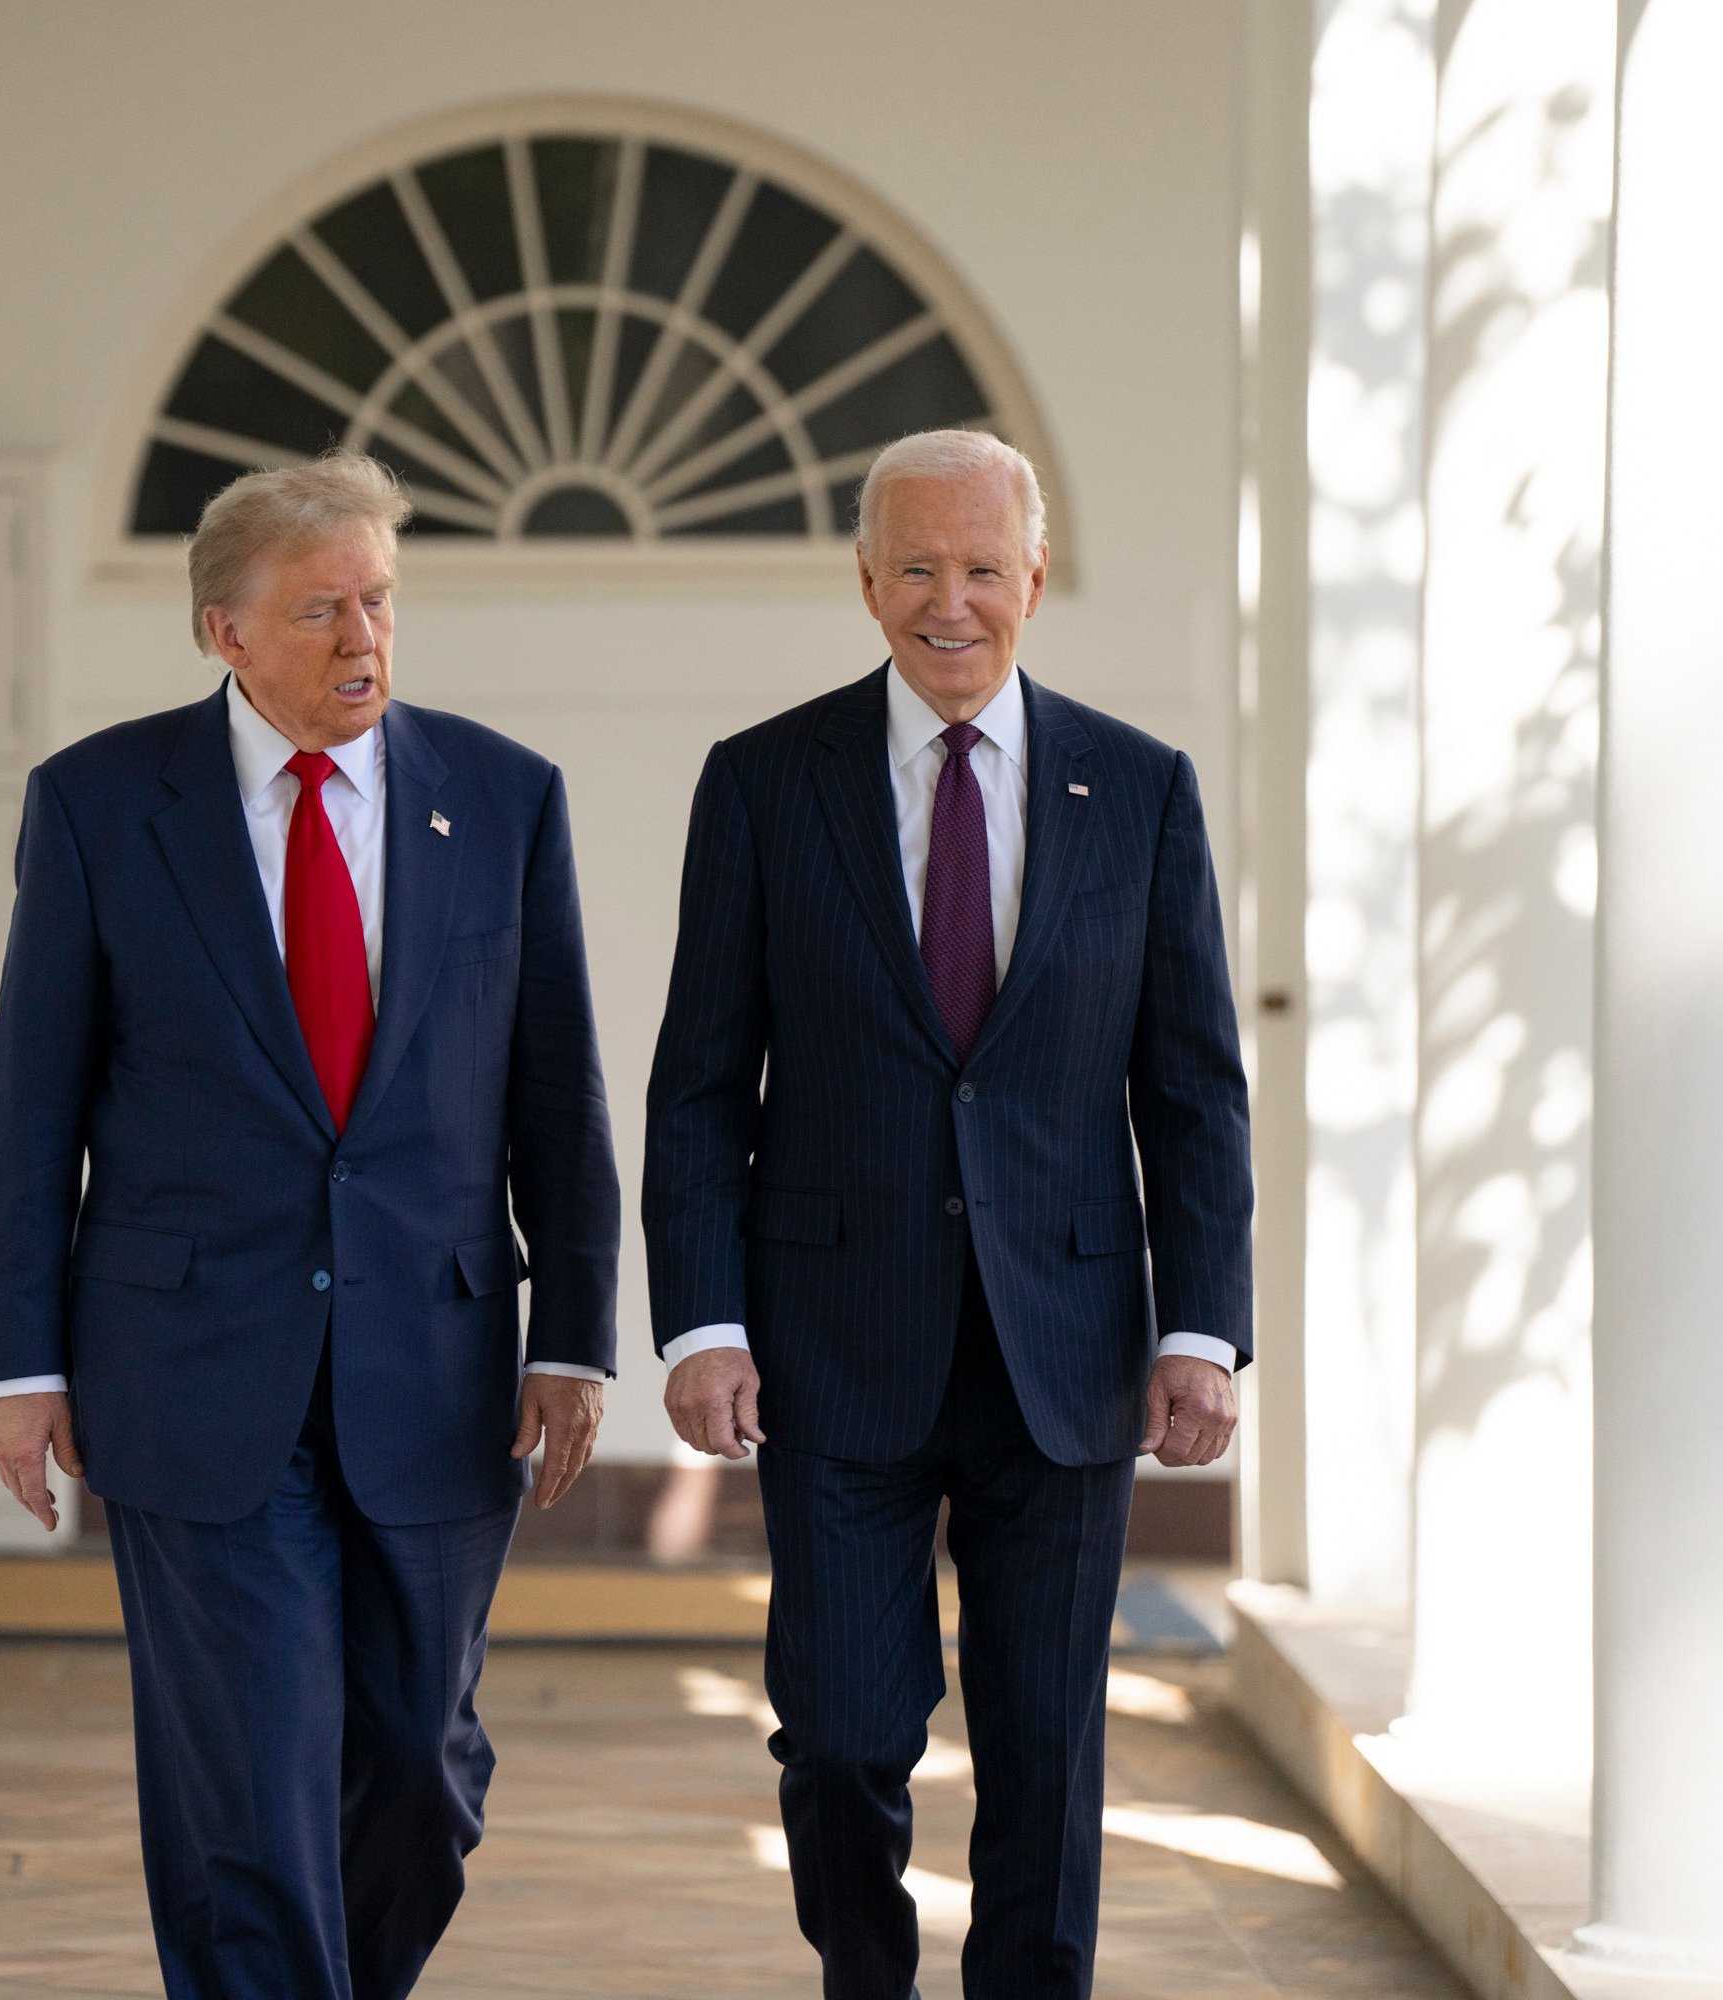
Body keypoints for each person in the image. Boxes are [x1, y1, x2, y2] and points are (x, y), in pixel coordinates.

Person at [0, 452, 619, 2000]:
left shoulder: (505, 798)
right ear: (224, 633)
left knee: (419, 1774)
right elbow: (29, 1106)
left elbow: (560, 1095)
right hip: (188, 1372)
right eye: (320, 609)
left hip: (440, 1367)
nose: (362, 640)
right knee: (252, 1795)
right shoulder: (101, 807)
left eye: (380, 601)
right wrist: (20, 1362)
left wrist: (579, 1334)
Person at [644, 429, 1252, 1999]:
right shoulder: (765, 784)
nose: (950, 601)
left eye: (982, 568)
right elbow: (702, 1083)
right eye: (916, 567)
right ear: (865, 581)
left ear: (1034, 581)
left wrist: (1203, 1330)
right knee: (842, 1731)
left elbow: (1192, 1092)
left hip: (1069, 1346)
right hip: (833, 1346)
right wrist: (702, 1320)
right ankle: (868, 1979)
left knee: (1047, 1752)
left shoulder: (1142, 791)